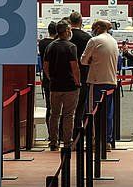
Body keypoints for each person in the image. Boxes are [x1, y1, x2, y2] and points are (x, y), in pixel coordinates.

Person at [80, 19, 120, 146]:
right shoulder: (113, 41)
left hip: (97, 81)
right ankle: (106, 141)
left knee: (92, 112)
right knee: (108, 113)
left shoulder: (94, 41)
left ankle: (94, 141)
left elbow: (83, 60)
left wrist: (92, 60)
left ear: (97, 28)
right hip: (111, 81)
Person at [43, 20, 81, 151]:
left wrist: (51, 78)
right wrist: (77, 82)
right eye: (69, 29)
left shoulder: (50, 46)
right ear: (65, 31)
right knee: (68, 115)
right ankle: (67, 142)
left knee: (54, 114)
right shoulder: (71, 47)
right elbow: (74, 67)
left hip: (54, 85)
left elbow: (45, 66)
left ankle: (53, 141)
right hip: (70, 86)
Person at [68, 11, 92, 127]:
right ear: (81, 22)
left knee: (66, 106)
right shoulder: (87, 37)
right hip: (83, 74)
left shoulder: (65, 37)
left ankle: (63, 133)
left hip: (66, 74)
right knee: (81, 105)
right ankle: (78, 129)